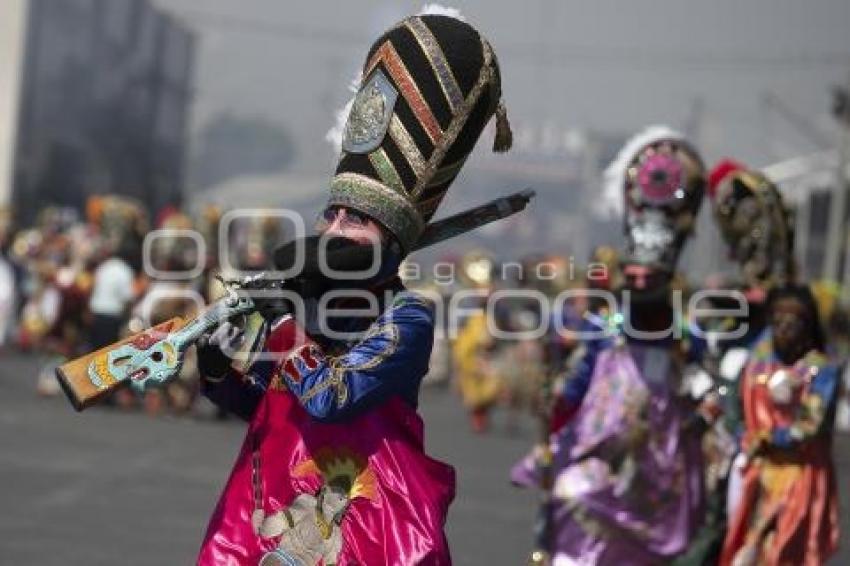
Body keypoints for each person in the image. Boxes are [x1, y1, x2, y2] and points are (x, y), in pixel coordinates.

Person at [196, 8, 514, 564]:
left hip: (365, 528)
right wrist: (218, 370)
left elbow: (330, 397)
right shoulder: (307, 302)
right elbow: (271, 408)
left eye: (356, 220)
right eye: (333, 214)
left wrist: (281, 321)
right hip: (267, 509)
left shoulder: (406, 318)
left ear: (389, 240)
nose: (335, 229)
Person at [513, 126, 707, 565]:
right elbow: (573, 389)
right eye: (633, 279)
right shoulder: (603, 330)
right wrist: (554, 396)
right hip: (596, 462)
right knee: (571, 498)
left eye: (649, 280)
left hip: (657, 475)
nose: (640, 286)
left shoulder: (687, 337)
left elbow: (704, 393)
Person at [719, 285, 840, 566]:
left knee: (781, 550)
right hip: (756, 470)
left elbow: (809, 426)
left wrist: (768, 437)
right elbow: (735, 403)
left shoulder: (821, 368)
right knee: (743, 546)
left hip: (800, 475)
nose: (784, 330)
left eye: (793, 323)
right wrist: (742, 437)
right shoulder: (759, 358)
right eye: (777, 322)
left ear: (807, 327)